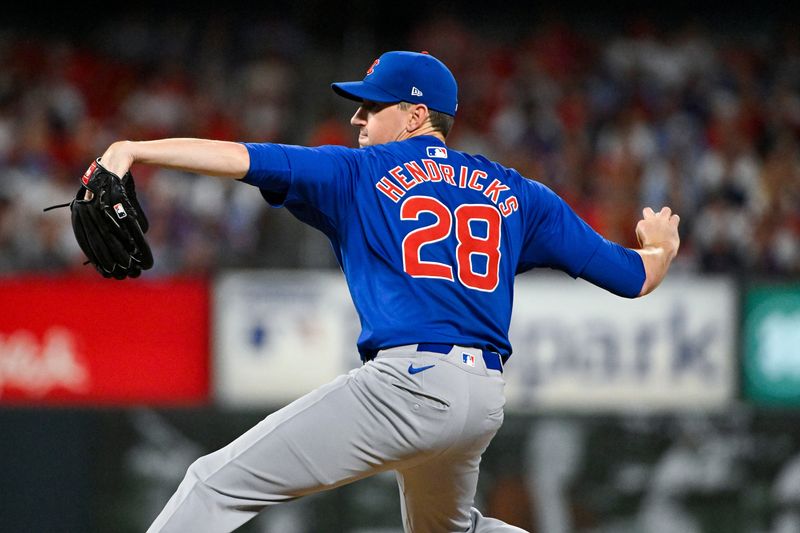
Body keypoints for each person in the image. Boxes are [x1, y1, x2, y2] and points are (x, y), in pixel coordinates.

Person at [98, 50, 680, 533]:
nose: (358, 120)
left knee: (214, 482)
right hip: (480, 398)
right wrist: (660, 248)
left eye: (371, 106)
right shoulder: (519, 193)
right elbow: (634, 278)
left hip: (409, 387)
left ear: (414, 115)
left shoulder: (357, 173)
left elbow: (243, 158)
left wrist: (133, 150)